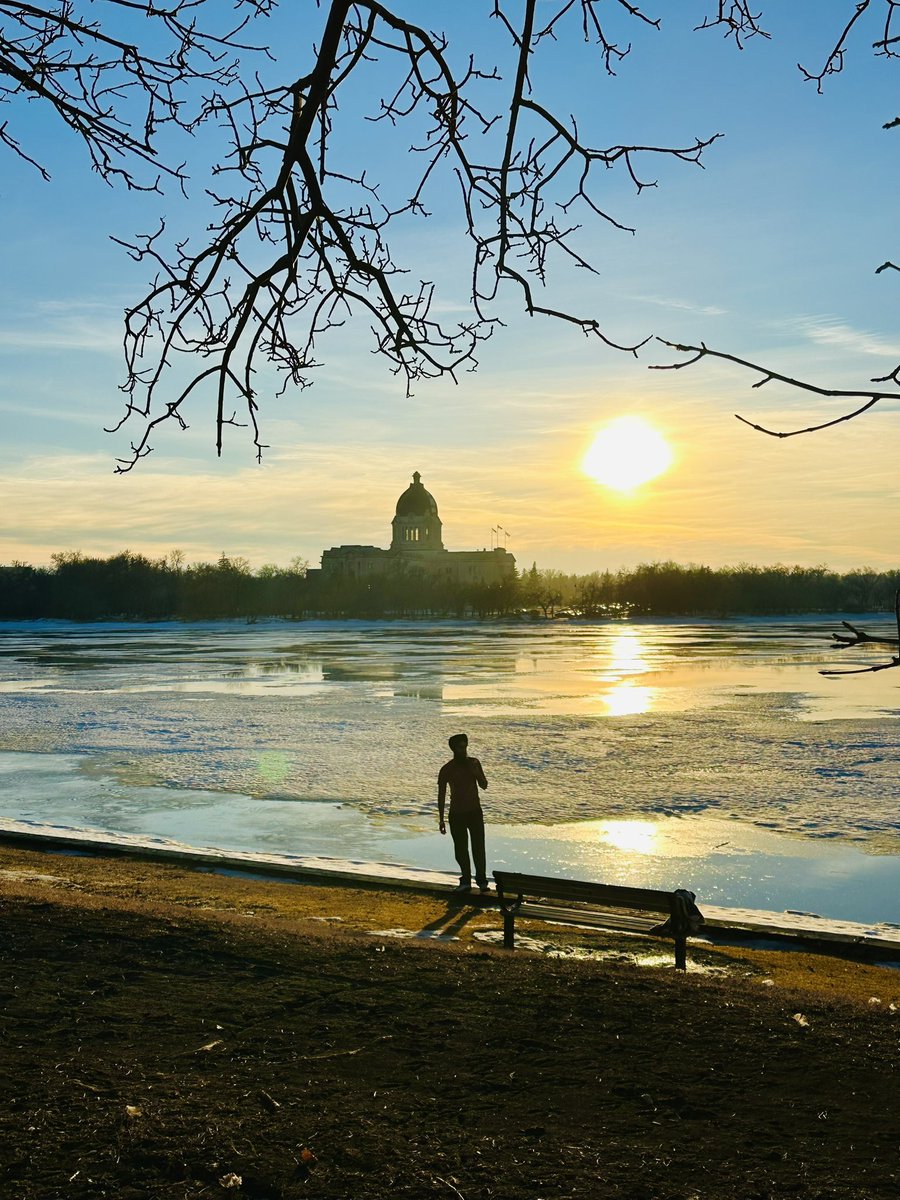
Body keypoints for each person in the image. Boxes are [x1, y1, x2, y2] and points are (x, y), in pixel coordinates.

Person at [437, 732, 489, 893]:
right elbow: (441, 794)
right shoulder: (447, 769)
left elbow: (484, 785)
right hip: (457, 813)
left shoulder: (474, 763)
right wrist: (441, 819)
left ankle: (482, 882)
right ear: (453, 748)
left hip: (474, 811)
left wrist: (476, 773)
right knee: (461, 848)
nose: (463, 749)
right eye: (460, 746)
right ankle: (465, 880)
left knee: (478, 847)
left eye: (465, 745)